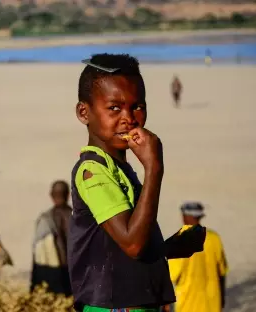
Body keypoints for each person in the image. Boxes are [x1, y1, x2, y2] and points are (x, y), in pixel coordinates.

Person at [68, 53, 206, 312]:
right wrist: (154, 168)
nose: (129, 118)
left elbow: (119, 249)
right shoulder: (92, 171)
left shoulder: (120, 168)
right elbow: (132, 244)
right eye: (114, 108)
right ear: (84, 112)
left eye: (138, 106)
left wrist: (165, 248)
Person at [166, 202, 228, 312]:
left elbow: (171, 276)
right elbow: (222, 273)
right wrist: (222, 298)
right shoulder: (214, 238)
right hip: (213, 304)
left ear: (185, 217)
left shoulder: (180, 240)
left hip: (188, 305)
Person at [30, 180, 73, 296]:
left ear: (51, 196)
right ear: (68, 195)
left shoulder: (44, 220)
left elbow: (37, 256)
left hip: (51, 276)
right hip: (74, 276)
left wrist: (33, 287)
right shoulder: (78, 218)